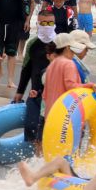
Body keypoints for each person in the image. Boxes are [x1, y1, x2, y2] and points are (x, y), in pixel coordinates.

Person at [14, 10, 57, 155]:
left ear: (54, 23)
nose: (47, 26)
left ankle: (47, 156)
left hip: (55, 95)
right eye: (43, 23)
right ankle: (38, 157)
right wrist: (20, 91)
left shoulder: (60, 43)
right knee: (31, 126)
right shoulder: (32, 44)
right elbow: (26, 69)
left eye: (50, 23)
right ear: (38, 24)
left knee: (50, 128)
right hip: (35, 93)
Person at [42, 33, 96, 118]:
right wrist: (90, 85)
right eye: (72, 50)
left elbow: (45, 95)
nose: (74, 53)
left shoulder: (51, 65)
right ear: (67, 48)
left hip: (50, 114)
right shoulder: (68, 63)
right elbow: (71, 87)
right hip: (64, 114)